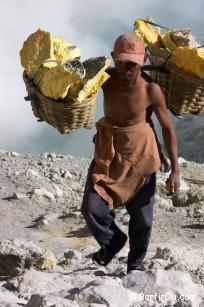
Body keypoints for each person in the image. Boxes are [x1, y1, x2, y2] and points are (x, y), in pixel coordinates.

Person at [80, 32, 180, 274]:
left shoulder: (150, 90)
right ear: (114, 57)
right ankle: (112, 242)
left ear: (143, 59)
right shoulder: (105, 80)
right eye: (121, 61)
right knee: (91, 207)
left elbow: (167, 128)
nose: (126, 68)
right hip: (109, 151)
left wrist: (176, 169)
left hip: (141, 155)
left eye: (132, 64)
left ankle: (134, 267)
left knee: (142, 220)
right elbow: (77, 87)